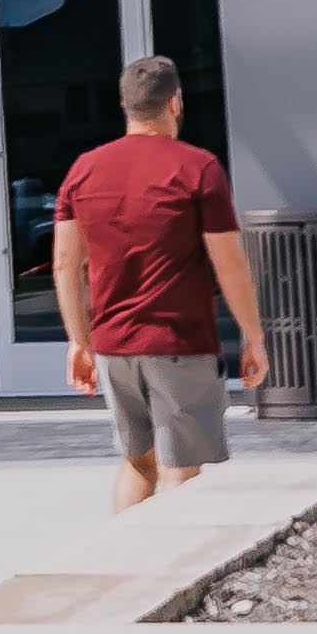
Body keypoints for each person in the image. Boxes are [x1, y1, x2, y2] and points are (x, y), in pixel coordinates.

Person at [50, 51, 267, 505]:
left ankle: (128, 566)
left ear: (125, 106)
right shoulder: (198, 167)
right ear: (175, 103)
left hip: (113, 347)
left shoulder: (83, 170)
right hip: (178, 343)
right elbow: (228, 262)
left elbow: (66, 264)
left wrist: (79, 341)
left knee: (137, 463)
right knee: (182, 470)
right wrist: (253, 336)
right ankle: (175, 574)